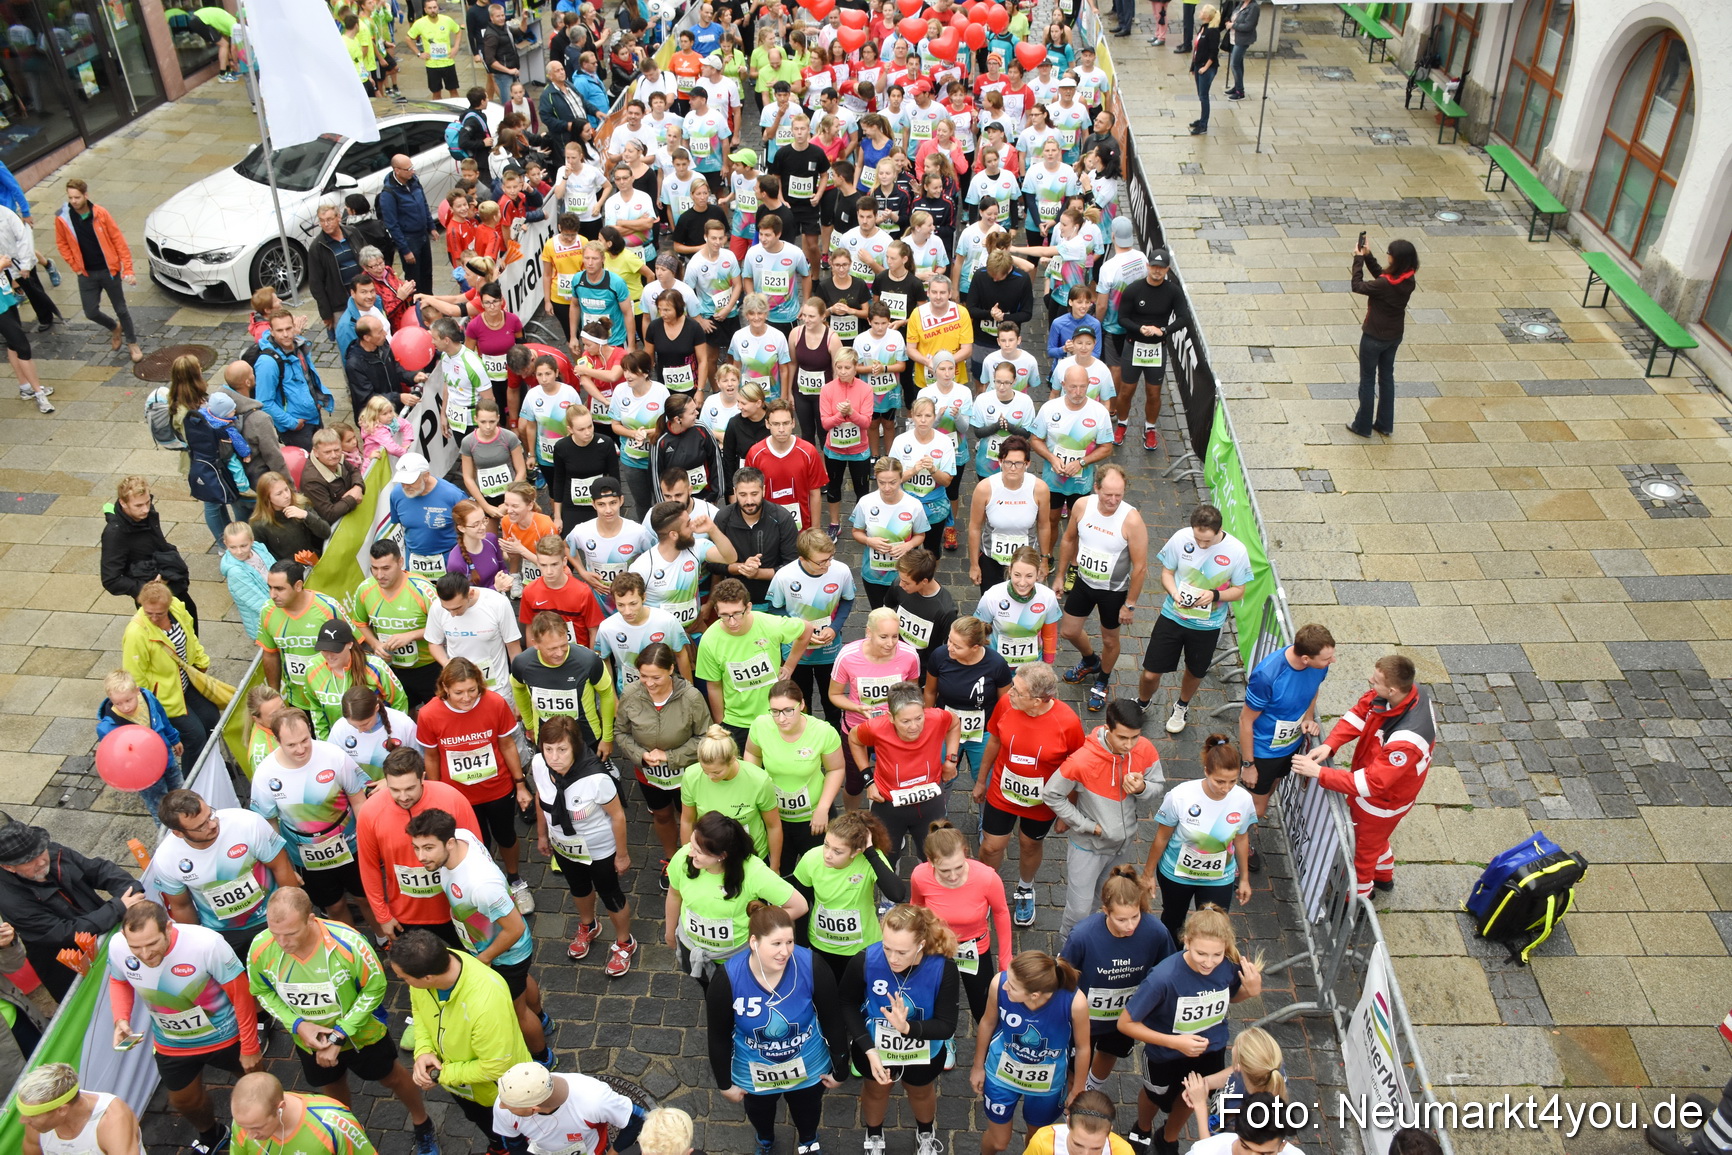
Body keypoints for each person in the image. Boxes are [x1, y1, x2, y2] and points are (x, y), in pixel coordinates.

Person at [244, 890, 437, 1152]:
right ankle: (347, 1131)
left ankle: (422, 1123)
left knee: (391, 1077)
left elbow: (376, 987)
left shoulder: (348, 942)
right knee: (332, 1084)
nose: (281, 942)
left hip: (363, 1034)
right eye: (274, 932)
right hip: (310, 1042)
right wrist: (298, 1025)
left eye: (290, 934)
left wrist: (340, 1034)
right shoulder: (260, 947)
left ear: (311, 920)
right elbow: (261, 992)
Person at [106, 901, 263, 1154]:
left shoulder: (206, 944)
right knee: (183, 1101)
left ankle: (272, 1131)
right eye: (136, 947)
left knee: (257, 1088)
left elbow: (241, 995)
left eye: (152, 944)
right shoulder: (117, 946)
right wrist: (121, 1018)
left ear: (168, 928)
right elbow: (118, 980)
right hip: (172, 1042)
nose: (145, 955)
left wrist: (250, 1045)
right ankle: (212, 1135)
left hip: (226, 1037)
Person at [703, 903, 849, 1155]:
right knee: (759, 1112)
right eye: (776, 944)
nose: (785, 952)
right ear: (754, 942)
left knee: (808, 1111)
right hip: (753, 1069)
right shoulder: (727, 978)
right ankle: (765, 1139)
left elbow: (832, 1019)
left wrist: (841, 1067)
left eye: (790, 942)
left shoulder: (812, 965)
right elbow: (718, 1036)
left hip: (808, 1063)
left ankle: (808, 1142)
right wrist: (725, 1083)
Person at [407, 807, 550, 1062]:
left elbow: (515, 929)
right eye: (416, 847)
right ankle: (542, 1018)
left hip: (505, 955)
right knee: (522, 982)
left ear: (449, 843)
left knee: (517, 1012)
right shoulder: (461, 835)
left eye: (428, 848)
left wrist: (484, 959)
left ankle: (542, 1057)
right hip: (497, 949)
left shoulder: (482, 886)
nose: (420, 856)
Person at [1118, 907, 1264, 1155]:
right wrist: (1175, 1043)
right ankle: (1143, 1128)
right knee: (1154, 1096)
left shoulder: (1229, 965)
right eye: (1201, 953)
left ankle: (1168, 1137)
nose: (1208, 962)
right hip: (1164, 1055)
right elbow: (1125, 1023)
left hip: (1210, 1050)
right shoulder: (1162, 978)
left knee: (1193, 1095)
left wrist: (1250, 991)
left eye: (1216, 954)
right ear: (1186, 941)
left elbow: (1228, 999)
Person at [1290, 653, 1436, 899]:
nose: (1370, 680)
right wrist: (1331, 744)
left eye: (1375, 680)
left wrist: (1320, 773)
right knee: (1376, 842)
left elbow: (1372, 783)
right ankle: (1384, 876)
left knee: (1362, 853)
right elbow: (1360, 713)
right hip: (1384, 792)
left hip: (1382, 803)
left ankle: (1356, 899)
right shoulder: (1406, 693)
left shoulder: (1406, 742)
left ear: (1391, 690)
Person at [391, 929, 533, 1153]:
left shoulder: (486, 1005)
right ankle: (498, 1146)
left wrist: (439, 1075)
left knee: (512, 1134)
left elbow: (496, 1066)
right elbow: (420, 1012)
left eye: (405, 978)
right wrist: (425, 1051)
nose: (404, 982)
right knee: (482, 1122)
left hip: (499, 1094)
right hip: (463, 1084)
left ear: (428, 978)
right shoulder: (436, 962)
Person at [415, 659, 534, 908]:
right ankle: (485, 884)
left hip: (498, 789)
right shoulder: (429, 714)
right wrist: (435, 796)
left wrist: (520, 784)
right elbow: (432, 756)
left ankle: (515, 881)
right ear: (445, 688)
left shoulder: (494, 703)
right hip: (459, 797)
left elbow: (507, 744)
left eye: (472, 690)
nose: (467, 698)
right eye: (459, 692)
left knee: (507, 836)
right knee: (473, 843)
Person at [975, 661, 1084, 927]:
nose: (1010, 694)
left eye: (1018, 691)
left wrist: (1067, 812)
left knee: (1030, 844)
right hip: (1003, 790)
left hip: (1042, 801)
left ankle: (1025, 888)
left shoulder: (1068, 723)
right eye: (1013, 686)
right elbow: (996, 741)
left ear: (1038, 700)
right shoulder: (1006, 705)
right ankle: (985, 888)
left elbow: (1076, 770)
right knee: (991, 846)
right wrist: (981, 781)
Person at [530, 715, 637, 976]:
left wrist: (622, 855)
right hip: (564, 846)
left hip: (599, 849)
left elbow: (618, 816)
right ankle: (588, 926)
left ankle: (625, 941)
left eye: (562, 749)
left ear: (575, 747)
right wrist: (542, 836)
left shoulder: (596, 779)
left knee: (610, 893)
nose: (554, 757)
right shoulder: (539, 764)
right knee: (578, 888)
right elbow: (540, 799)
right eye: (548, 749)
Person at [1059, 870, 1176, 1108]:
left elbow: (1167, 970)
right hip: (1084, 1018)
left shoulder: (1156, 932)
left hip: (1126, 1016)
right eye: (1122, 919)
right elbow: (1063, 977)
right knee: (1075, 1064)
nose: (1130, 925)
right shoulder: (1082, 936)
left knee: (1109, 1053)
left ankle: (1092, 1089)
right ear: (1105, 911)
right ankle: (1073, 1098)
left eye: (1135, 917)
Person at [1136, 504, 1254, 735]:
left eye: (1207, 542)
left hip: (1207, 625)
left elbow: (1240, 590)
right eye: (1197, 539)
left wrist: (1214, 595)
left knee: (1195, 671)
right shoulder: (1181, 538)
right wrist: (1174, 593)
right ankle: (1142, 701)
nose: (1201, 545)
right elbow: (1167, 573)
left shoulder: (1237, 551)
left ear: (1219, 531)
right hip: (1173, 616)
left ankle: (1181, 706)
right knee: (1150, 672)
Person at [0, 820, 144, 1001]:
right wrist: (118, 908)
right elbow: (64, 931)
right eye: (29, 860)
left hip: (104, 931)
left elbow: (98, 870)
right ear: (8, 867)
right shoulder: (10, 901)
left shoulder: (51, 851)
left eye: (40, 852)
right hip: (70, 968)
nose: (41, 861)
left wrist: (131, 890)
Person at [971, 950, 1091, 1155]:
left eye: (1013, 987)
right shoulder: (999, 983)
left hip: (1048, 1082)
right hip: (1001, 1071)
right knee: (999, 1141)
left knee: (1037, 1139)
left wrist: (1078, 1088)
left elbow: (1083, 1047)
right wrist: (977, 1066)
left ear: (1034, 995)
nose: (1005, 985)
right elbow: (988, 1022)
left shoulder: (1075, 1002)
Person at [357, 748, 481, 944]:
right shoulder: (370, 812)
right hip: (405, 915)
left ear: (422, 777)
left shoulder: (452, 798)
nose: (403, 796)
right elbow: (368, 866)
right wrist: (382, 915)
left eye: (410, 788)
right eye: (395, 790)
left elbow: (476, 851)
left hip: (456, 908)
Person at [665, 811, 808, 981]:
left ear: (722, 856)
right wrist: (669, 932)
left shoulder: (753, 872)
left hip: (737, 958)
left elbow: (799, 906)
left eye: (699, 851)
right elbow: (674, 894)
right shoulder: (683, 858)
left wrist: (762, 924)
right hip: (694, 949)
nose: (689, 853)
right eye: (692, 844)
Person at [613, 641, 709, 889]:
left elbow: (704, 737)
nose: (649, 683)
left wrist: (670, 757)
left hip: (686, 774)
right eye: (643, 676)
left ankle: (694, 857)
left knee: (691, 817)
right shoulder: (632, 694)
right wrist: (641, 755)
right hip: (649, 775)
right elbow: (621, 733)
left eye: (656, 676)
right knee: (662, 814)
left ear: (671, 670)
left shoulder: (691, 697)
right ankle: (671, 858)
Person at [1236, 622, 1335, 863]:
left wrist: (1309, 717)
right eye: (1326, 659)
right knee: (1256, 808)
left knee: (1269, 793)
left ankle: (1242, 830)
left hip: (1289, 747)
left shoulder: (1318, 666)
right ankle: (1233, 845)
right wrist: (1249, 764)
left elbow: (1314, 690)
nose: (1332, 662)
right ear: (1304, 659)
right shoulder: (1267, 675)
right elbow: (1245, 721)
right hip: (1263, 751)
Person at [1057, 465, 1149, 712]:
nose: (1113, 500)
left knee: (1110, 639)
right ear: (1096, 487)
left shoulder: (1131, 519)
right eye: (1108, 494)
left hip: (1114, 592)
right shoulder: (1081, 506)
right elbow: (1068, 539)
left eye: (1119, 495)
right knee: (1068, 631)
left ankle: (1103, 680)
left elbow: (1140, 567)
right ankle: (1090, 661)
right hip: (1084, 582)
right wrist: (1059, 575)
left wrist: (1129, 604)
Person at [1143, 736, 1255, 938]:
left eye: (1233, 781)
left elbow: (1241, 838)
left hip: (1219, 878)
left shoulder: (1243, 799)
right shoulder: (1180, 796)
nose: (1226, 788)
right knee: (1173, 923)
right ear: (1206, 771)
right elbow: (1162, 837)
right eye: (1219, 781)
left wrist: (1245, 879)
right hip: (1177, 875)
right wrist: (1148, 874)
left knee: (1214, 929)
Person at [848, 682, 959, 866]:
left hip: (930, 801)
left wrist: (951, 760)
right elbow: (854, 738)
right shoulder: (876, 727)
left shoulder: (937, 717)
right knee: (886, 856)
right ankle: (889, 895)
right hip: (889, 804)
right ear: (890, 717)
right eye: (905, 721)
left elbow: (954, 723)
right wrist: (868, 780)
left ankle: (927, 886)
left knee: (933, 855)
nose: (914, 726)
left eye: (919, 718)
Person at [696, 578, 813, 748]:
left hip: (774, 716)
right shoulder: (709, 640)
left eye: (737, 613)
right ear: (716, 611)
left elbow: (806, 629)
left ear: (749, 607)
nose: (732, 621)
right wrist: (721, 723)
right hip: (736, 721)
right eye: (725, 616)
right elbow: (714, 685)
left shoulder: (770, 624)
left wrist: (789, 666)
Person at [122, 579, 223, 760]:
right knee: (194, 737)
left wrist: (201, 662)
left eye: (159, 614)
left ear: (168, 605)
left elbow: (190, 636)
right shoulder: (136, 633)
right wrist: (148, 709)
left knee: (212, 720)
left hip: (186, 683)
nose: (153, 618)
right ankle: (192, 781)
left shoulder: (176, 607)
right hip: (164, 698)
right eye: (148, 613)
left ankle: (212, 768)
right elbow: (135, 676)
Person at [53, 178, 143, 364]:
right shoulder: (63, 217)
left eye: (77, 197)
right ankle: (114, 328)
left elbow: (118, 241)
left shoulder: (100, 214)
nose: (74, 201)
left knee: (121, 309)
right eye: (70, 197)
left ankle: (132, 343)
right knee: (90, 311)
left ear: (86, 195)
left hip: (108, 270)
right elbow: (62, 244)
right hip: (86, 274)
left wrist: (128, 269)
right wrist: (75, 267)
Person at [352, 540, 442, 708]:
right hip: (392, 666)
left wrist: (411, 635)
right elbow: (359, 623)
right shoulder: (365, 589)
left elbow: (445, 625)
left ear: (400, 562)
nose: (379, 575)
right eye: (374, 568)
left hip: (428, 666)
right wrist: (376, 644)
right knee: (401, 717)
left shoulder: (422, 589)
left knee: (437, 715)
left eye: (386, 568)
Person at [509, 609, 615, 750]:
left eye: (564, 645)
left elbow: (607, 694)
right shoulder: (522, 663)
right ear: (535, 644)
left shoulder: (588, 660)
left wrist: (607, 738)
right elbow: (518, 688)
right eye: (552, 649)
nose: (559, 653)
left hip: (586, 739)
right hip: (547, 740)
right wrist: (529, 726)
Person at [1347, 237, 1419, 439]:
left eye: (1389, 253)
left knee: (1367, 381)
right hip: (1394, 336)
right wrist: (1369, 256)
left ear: (1395, 258)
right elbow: (1383, 278)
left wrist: (1359, 259)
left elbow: (1357, 285)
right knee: (1387, 378)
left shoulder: (1384, 285)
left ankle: (1362, 426)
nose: (1387, 255)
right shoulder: (1408, 278)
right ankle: (1385, 424)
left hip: (1373, 337)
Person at [101, 476, 196, 627]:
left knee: (190, 623)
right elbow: (111, 580)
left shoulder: (147, 513)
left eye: (147, 502)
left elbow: (159, 543)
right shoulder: (115, 534)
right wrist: (149, 589)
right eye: (138, 505)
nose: (145, 509)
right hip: (153, 600)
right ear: (123, 503)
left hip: (172, 583)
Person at [493, 1062, 644, 1155]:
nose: (500, 1105)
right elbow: (514, 1143)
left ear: (534, 1108)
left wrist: (613, 1153)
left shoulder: (593, 1099)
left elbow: (638, 1119)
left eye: (510, 1106)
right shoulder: (506, 1100)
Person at [96, 669, 187, 822]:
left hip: (167, 759)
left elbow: (162, 718)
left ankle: (187, 820)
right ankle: (167, 834)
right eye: (118, 703)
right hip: (144, 774)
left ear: (137, 691)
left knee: (180, 792)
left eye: (128, 700)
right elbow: (112, 755)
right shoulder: (107, 727)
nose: (125, 707)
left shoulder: (148, 698)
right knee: (159, 805)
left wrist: (174, 738)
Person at [1111, 247, 1180, 452]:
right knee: (1126, 391)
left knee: (1154, 393)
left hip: (1157, 349)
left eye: (1161, 268)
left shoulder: (1173, 291)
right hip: (1134, 345)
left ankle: (1150, 428)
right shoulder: (1134, 289)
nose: (1157, 271)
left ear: (1167, 269)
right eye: (1154, 267)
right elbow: (1122, 318)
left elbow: (1185, 318)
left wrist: (1163, 330)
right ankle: (1122, 424)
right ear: (1148, 266)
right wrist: (1139, 328)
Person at [257, 560, 347, 714]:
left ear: (298, 586)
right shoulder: (267, 611)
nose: (272, 595)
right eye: (270, 587)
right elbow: (270, 654)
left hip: (334, 697)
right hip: (298, 700)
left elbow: (355, 646)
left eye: (279, 589)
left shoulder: (328, 608)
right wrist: (275, 694)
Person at [966, 436, 1050, 593]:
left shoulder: (1040, 489)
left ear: (1027, 464)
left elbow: (1044, 525)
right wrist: (974, 564)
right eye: (1008, 462)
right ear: (1000, 462)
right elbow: (975, 527)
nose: (1013, 468)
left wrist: (1044, 560)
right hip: (992, 559)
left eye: (1018, 463)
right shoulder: (985, 488)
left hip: (1026, 562)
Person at [1031, 364, 1114, 520]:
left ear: (1089, 384)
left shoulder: (1099, 412)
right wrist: (1052, 459)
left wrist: (1081, 462)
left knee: (1077, 524)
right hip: (1053, 479)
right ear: (1063, 385)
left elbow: (1107, 447)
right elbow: (1035, 439)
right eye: (1073, 387)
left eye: (1083, 387)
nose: (1078, 392)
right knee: (1050, 521)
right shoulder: (1049, 408)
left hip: (1081, 482)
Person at [709, 467, 801, 605]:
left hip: (774, 601)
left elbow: (792, 566)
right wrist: (741, 567)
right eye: (743, 494)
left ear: (763, 490)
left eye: (754, 493)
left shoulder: (782, 518)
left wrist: (757, 573)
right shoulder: (723, 518)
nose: (749, 501)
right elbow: (712, 564)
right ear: (734, 492)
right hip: (734, 602)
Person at [428, 571, 524, 696]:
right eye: (447, 609)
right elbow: (434, 643)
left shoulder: (498, 603)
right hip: (461, 691)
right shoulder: (437, 607)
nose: (452, 614)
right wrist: (447, 664)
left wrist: (519, 691)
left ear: (470, 594)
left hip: (497, 690)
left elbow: (513, 648)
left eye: (457, 608)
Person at [17, 1062, 145, 1155]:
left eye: (33, 1115)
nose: (23, 1120)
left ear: (62, 1110)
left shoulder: (112, 1121)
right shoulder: (36, 1124)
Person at [254, 309, 336, 452]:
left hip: (313, 417)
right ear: (271, 331)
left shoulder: (299, 346)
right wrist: (292, 423)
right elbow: (264, 402)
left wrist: (318, 399)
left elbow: (308, 377)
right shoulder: (267, 363)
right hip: (297, 428)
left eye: (288, 328)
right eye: (279, 330)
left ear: (294, 327)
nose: (285, 334)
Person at [389, 453, 469, 580]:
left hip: (450, 564)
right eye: (402, 481)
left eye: (410, 481)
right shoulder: (397, 494)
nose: (405, 486)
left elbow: (471, 529)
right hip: (414, 565)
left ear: (426, 476)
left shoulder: (454, 496)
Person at [300, 428, 368, 525]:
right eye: (327, 452)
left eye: (337, 450)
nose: (334, 455)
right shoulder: (311, 481)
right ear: (315, 452)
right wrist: (352, 498)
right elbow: (329, 514)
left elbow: (354, 471)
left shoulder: (338, 458)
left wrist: (358, 487)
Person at [1186, 5, 1222, 135]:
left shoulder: (1213, 32)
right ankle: (1202, 119)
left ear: (1207, 16)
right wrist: (1193, 66)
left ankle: (1203, 124)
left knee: (1204, 96)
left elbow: (1213, 53)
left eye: (1202, 11)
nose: (1200, 12)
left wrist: (1205, 68)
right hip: (1198, 65)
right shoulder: (1203, 28)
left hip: (1206, 68)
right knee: (1201, 95)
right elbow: (1197, 49)